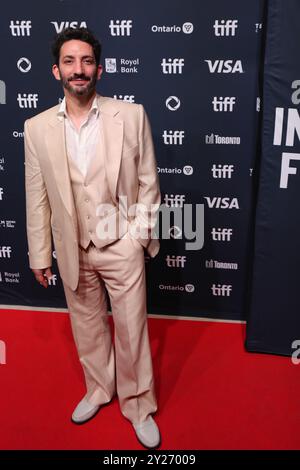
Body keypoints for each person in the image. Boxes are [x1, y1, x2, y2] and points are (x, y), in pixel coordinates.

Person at [24, 27, 161, 449]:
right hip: (72, 248)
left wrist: (136, 238)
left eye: (85, 61)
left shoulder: (131, 115)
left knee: (132, 329)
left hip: (121, 244)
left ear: (98, 69)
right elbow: (37, 195)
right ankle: (100, 389)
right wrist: (38, 254)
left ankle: (138, 404)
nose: (78, 70)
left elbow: (148, 183)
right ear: (56, 71)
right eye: (69, 61)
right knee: (86, 327)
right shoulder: (36, 127)